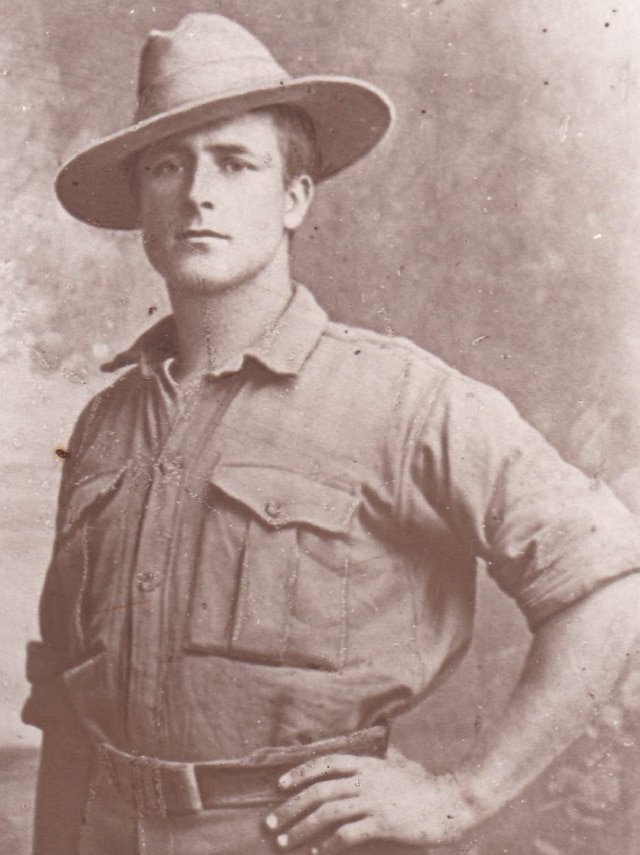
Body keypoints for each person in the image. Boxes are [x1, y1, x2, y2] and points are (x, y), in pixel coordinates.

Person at [22, 13, 640, 855]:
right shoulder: (104, 425)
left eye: (235, 163)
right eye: (169, 166)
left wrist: (463, 795)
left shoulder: (402, 398)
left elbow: (607, 578)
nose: (198, 193)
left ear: (294, 198)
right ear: (140, 204)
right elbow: (64, 701)